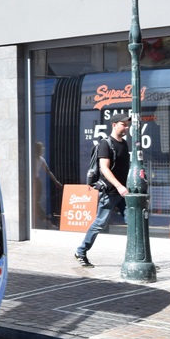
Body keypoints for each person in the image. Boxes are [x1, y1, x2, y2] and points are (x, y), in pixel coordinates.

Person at [75, 114, 131, 268]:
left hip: (124, 193)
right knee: (100, 223)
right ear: (114, 124)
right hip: (111, 192)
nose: (126, 127)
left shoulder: (125, 144)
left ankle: (136, 257)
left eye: (127, 125)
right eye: (123, 124)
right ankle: (81, 251)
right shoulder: (106, 144)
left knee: (133, 222)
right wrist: (119, 186)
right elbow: (104, 169)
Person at [33, 142, 62, 228]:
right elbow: (48, 171)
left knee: (35, 203)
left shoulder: (41, 159)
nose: (42, 151)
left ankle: (46, 222)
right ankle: (45, 222)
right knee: (34, 204)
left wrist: (56, 181)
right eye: (41, 149)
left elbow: (48, 171)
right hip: (35, 181)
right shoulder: (34, 158)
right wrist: (56, 182)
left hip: (36, 182)